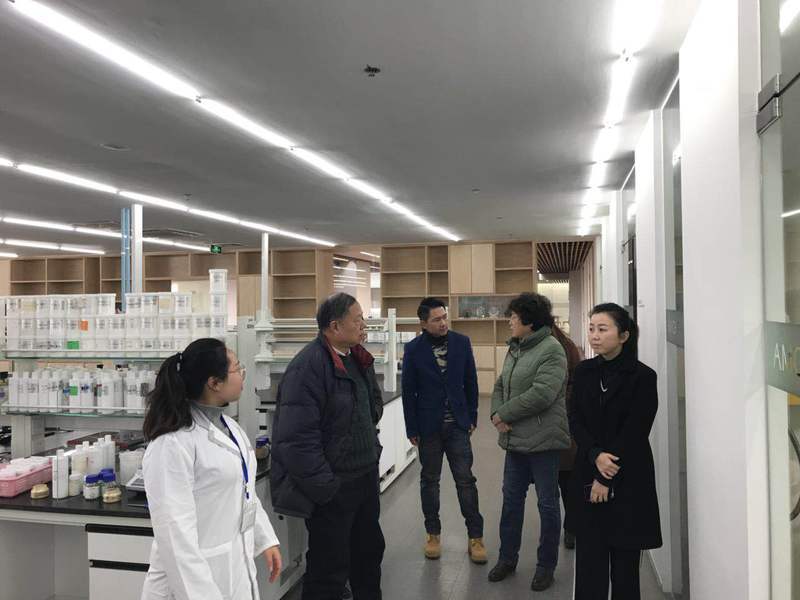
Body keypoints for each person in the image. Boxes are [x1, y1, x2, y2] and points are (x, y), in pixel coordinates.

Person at [141, 338, 282, 600]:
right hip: (192, 583)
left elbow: (245, 492)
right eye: (237, 369)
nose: (242, 375)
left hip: (232, 566)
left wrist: (265, 539)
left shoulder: (230, 428)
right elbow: (176, 539)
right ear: (214, 383)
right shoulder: (172, 443)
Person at [270, 293, 385, 600]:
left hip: (364, 477)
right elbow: (296, 440)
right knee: (329, 567)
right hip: (335, 485)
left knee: (369, 553)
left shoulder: (358, 357)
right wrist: (326, 488)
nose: (364, 325)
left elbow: (371, 404)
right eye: (357, 320)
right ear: (335, 326)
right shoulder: (308, 367)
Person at [568, 303, 662, 599]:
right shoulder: (583, 372)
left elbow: (635, 431)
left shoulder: (643, 377)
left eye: (602, 329)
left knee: (625, 570)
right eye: (591, 329)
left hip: (628, 478)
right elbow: (575, 419)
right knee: (589, 565)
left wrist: (605, 477)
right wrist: (595, 454)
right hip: (588, 470)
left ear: (623, 335)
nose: (594, 335)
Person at [488, 293, 569, 592]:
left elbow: (542, 394)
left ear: (530, 321)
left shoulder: (552, 350)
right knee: (511, 502)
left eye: (514, 316)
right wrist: (496, 413)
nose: (509, 321)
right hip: (515, 442)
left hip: (543, 441)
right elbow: (500, 384)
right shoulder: (516, 347)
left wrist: (505, 413)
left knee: (547, 505)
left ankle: (546, 566)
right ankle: (507, 558)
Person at [401, 297, 487, 563]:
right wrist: (411, 427)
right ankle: (433, 534)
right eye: (436, 319)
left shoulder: (461, 342)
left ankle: (475, 537)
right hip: (428, 428)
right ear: (423, 323)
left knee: (466, 481)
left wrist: (472, 416)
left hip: (458, 425)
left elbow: (471, 381)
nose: (443, 323)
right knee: (430, 482)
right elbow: (408, 392)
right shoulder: (413, 349)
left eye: (444, 317)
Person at [550, 324, 583, 550]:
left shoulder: (564, 346)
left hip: (564, 423)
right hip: (543, 426)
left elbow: (575, 384)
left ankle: (571, 526)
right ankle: (563, 528)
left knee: (566, 480)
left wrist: (560, 403)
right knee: (553, 484)